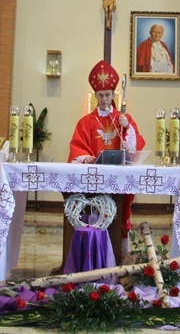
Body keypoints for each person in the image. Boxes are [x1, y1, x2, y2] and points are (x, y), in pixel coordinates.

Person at [63, 60, 146, 267]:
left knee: (122, 210)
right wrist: (89, 158)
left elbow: (134, 147)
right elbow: (78, 148)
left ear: (114, 95)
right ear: (95, 96)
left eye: (108, 94)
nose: (104, 99)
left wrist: (127, 129)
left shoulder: (123, 118)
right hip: (94, 181)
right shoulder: (85, 122)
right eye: (100, 95)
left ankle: (119, 257)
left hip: (118, 180)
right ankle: (90, 258)